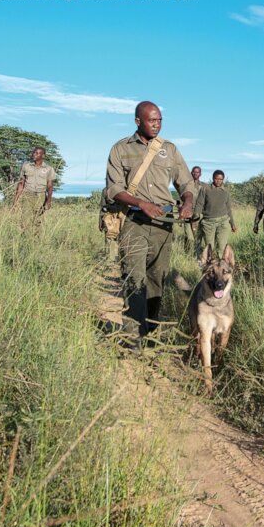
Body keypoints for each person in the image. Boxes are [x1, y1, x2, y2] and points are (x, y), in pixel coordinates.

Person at [105, 100, 196, 345]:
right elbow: (113, 189)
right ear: (138, 121)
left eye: (160, 120)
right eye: (151, 120)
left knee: (157, 278)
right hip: (134, 220)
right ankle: (132, 337)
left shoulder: (170, 149)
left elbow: (186, 184)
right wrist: (140, 202)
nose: (157, 125)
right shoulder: (121, 149)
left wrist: (187, 203)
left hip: (164, 223)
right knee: (134, 277)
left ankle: (152, 333)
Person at [194, 169, 236, 259]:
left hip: (223, 221)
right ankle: (210, 266)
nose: (218, 181)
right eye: (216, 179)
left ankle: (221, 266)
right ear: (213, 178)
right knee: (209, 247)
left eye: (221, 179)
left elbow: (228, 208)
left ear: (223, 180)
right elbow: (199, 204)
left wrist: (232, 224)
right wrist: (195, 218)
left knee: (222, 247)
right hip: (209, 222)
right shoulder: (205, 189)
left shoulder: (225, 191)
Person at [10, 146, 55, 226]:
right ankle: (25, 237)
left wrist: (49, 201)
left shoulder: (49, 169)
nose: (34, 154)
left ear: (43, 155)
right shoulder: (26, 166)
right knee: (25, 219)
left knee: (37, 220)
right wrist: (15, 202)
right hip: (27, 195)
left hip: (41, 196)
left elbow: (50, 186)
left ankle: (35, 237)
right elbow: (21, 184)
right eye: (34, 152)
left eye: (37, 153)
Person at [182, 165, 205, 249]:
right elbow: (182, 200)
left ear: (200, 174)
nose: (195, 173)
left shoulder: (203, 186)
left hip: (198, 214)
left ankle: (196, 253)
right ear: (191, 173)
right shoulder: (186, 185)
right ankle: (187, 253)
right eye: (194, 172)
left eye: (197, 172)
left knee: (197, 235)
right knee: (189, 237)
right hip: (187, 213)